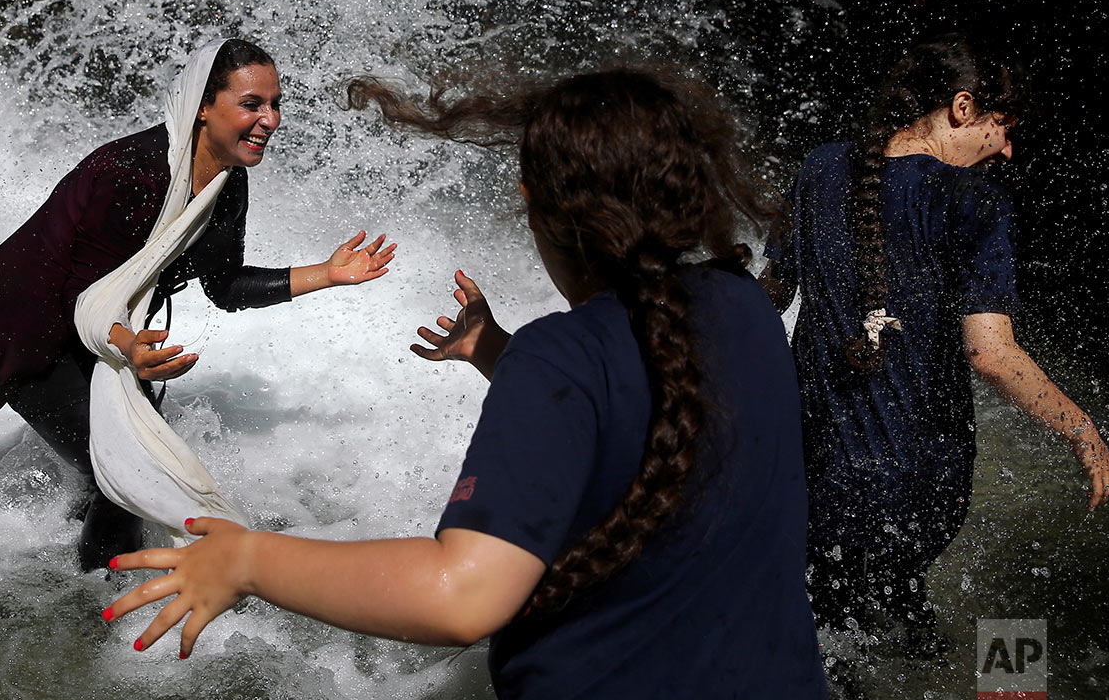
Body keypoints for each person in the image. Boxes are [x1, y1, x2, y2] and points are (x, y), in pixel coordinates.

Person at [102, 65, 827, 699]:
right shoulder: (743, 309)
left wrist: (246, 559)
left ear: (538, 208)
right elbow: (643, 410)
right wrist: (500, 355)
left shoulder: (561, 358)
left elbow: (464, 596)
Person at [0, 38, 395, 568]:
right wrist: (127, 346)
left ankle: (96, 564)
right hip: (28, 335)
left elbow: (224, 286)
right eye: (251, 104)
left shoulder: (227, 183)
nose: (270, 120)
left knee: (126, 471)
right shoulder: (133, 173)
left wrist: (326, 274)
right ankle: (97, 607)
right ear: (204, 107)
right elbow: (80, 295)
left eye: (276, 104)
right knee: (125, 476)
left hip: (105, 337)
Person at [761, 32, 1109, 638]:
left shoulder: (818, 168)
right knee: (950, 622)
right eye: (1004, 127)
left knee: (824, 632)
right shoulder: (977, 201)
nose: (1006, 150)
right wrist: (1084, 430)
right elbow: (991, 354)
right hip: (919, 486)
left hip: (815, 475)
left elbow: (768, 299)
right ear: (962, 108)